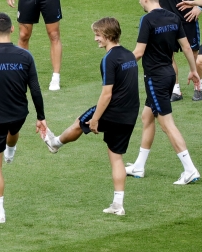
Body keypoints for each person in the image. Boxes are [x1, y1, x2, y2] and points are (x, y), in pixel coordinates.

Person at [42, 17, 139, 216]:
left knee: (81, 122)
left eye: (98, 35)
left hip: (112, 110)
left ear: (108, 35)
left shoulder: (108, 59)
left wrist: (96, 119)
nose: (96, 39)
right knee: (116, 157)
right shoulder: (129, 55)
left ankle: (55, 143)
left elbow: (107, 93)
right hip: (130, 113)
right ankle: (118, 204)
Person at [0, 13, 47, 224]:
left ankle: (0, 213)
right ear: (13, 30)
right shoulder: (25, 56)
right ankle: (11, 151)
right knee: (13, 132)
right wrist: (41, 117)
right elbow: (36, 89)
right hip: (19, 115)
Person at [125, 0, 202, 185]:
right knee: (147, 117)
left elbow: (139, 52)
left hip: (155, 79)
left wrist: (120, 64)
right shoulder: (173, 17)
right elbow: (186, 47)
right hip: (169, 75)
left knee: (167, 125)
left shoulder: (147, 20)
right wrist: (193, 70)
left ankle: (190, 169)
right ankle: (139, 167)